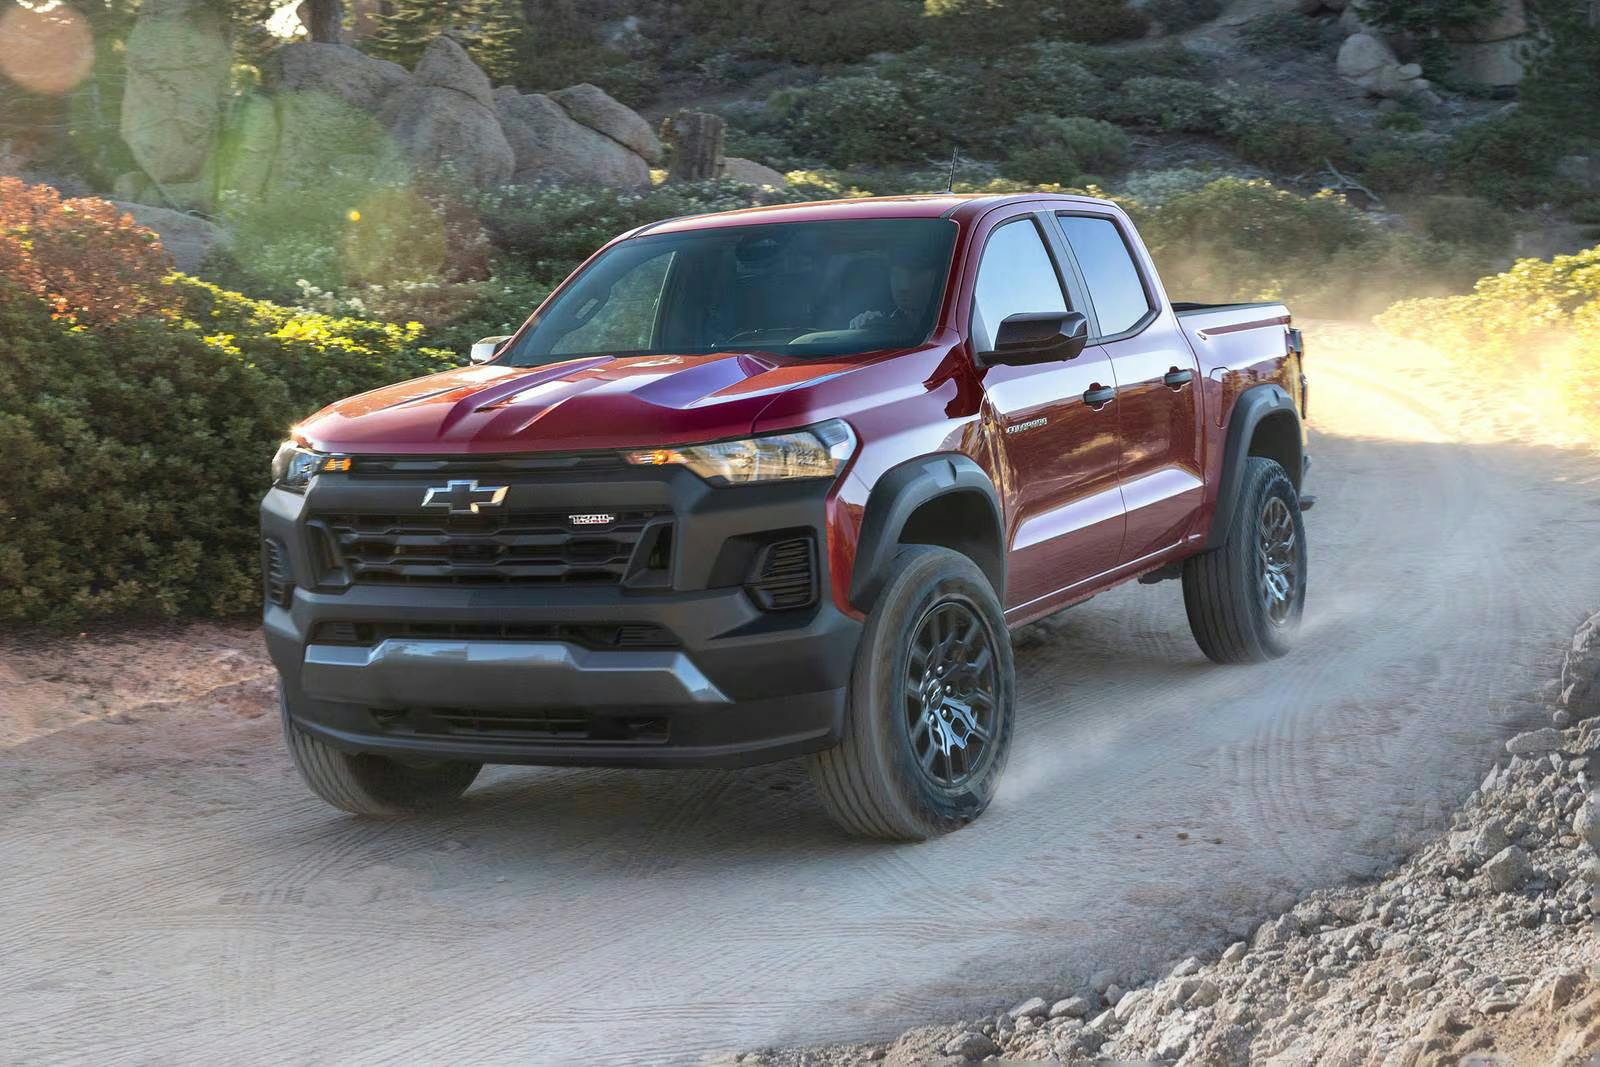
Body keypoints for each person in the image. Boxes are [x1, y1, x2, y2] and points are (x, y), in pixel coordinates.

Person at [847, 252, 941, 331]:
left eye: (914, 275)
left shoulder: (944, 321)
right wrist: (862, 327)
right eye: (896, 275)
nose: (903, 286)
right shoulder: (882, 322)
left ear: (935, 276)